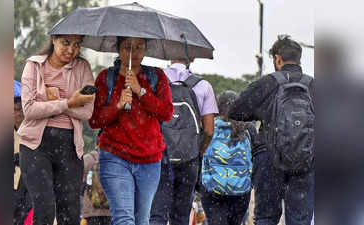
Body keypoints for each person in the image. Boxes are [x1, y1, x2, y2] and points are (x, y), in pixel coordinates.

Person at [227, 35, 314, 225]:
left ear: (277, 59)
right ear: (299, 59)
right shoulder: (313, 86)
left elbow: (236, 111)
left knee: (266, 217)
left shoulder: (267, 83)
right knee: (300, 219)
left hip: (269, 157)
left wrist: (261, 113)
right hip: (304, 161)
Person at [88, 36, 173, 225]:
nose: (133, 52)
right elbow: (94, 120)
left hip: (150, 160)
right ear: (118, 49)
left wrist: (141, 91)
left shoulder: (156, 77)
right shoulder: (105, 78)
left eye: (139, 47)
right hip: (115, 157)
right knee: (124, 218)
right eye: (127, 47)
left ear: (145, 50)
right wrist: (117, 106)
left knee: (142, 220)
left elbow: (167, 113)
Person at [17, 34, 95, 225]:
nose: (71, 50)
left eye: (77, 45)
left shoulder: (82, 67)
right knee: (44, 208)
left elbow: (87, 112)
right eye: (65, 43)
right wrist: (69, 102)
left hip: (69, 146)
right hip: (35, 146)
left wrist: (51, 104)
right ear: (53, 39)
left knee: (70, 211)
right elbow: (29, 109)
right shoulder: (33, 66)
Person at [150, 58, 218, 225]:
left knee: (157, 214)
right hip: (189, 161)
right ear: (192, 58)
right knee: (181, 216)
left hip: (159, 158)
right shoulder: (203, 86)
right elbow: (209, 130)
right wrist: (198, 151)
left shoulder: (155, 82)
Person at [200, 90, 255, 225]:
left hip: (212, 189)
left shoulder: (209, 126)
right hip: (240, 191)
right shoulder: (248, 128)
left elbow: (200, 155)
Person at [13, 80, 32, 225]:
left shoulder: (33, 132)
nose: (18, 113)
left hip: (28, 188)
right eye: (15, 109)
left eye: (20, 109)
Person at [80, 149, 111, 225]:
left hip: (91, 211)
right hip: (111, 210)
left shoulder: (87, 159)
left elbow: (78, 184)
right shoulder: (116, 160)